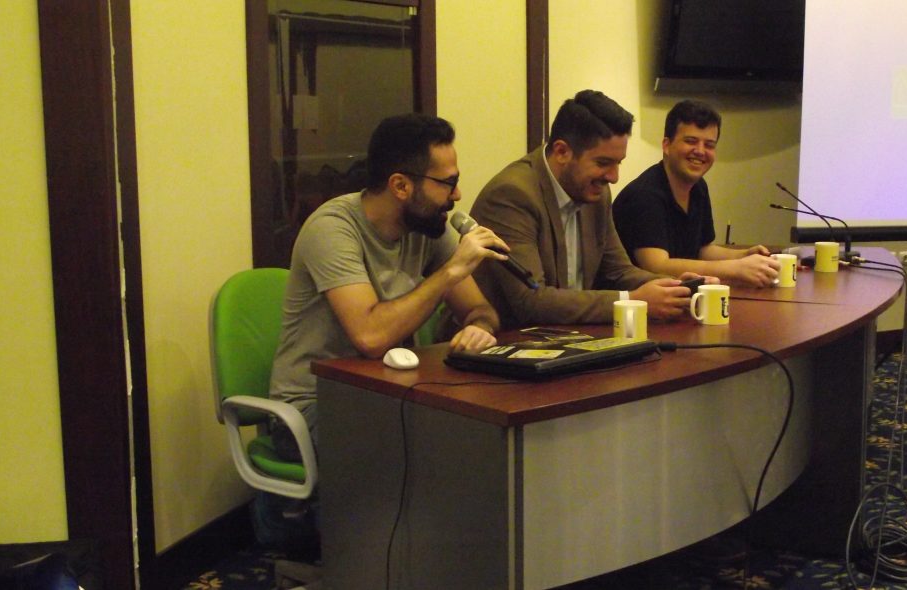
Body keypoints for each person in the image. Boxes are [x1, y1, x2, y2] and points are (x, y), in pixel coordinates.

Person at [269, 113, 506, 459]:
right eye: (447, 182)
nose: (457, 194)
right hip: (312, 406)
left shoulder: (427, 227)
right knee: (435, 445)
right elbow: (370, 337)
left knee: (477, 425)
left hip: (388, 394)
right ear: (400, 186)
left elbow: (480, 309)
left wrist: (479, 328)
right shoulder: (332, 229)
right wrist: (451, 271)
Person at [469, 89, 708, 330]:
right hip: (506, 340)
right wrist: (632, 301)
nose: (614, 177)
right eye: (603, 163)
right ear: (562, 152)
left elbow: (618, 272)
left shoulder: (594, 190)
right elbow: (531, 300)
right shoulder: (512, 195)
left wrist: (674, 287)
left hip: (571, 337)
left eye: (618, 163)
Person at [612, 100, 779, 288]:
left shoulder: (698, 187)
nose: (700, 151)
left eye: (709, 145)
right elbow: (656, 265)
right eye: (691, 141)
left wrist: (743, 256)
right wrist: (735, 268)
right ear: (666, 145)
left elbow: (701, 250)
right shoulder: (643, 195)